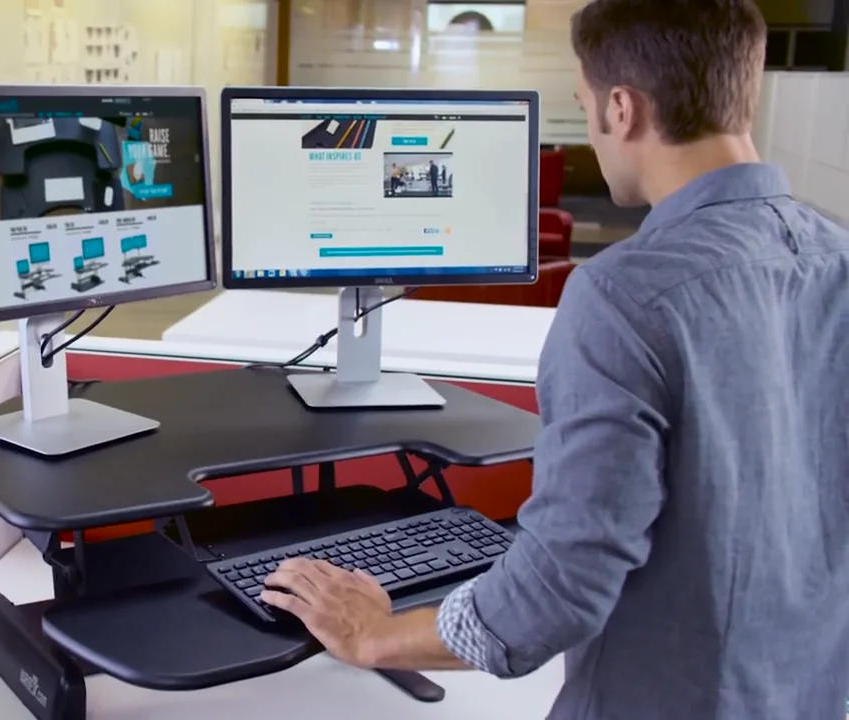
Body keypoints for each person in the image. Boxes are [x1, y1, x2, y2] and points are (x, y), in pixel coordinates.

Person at [261, 1, 849, 718]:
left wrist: (377, 635)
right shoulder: (836, 258)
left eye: (584, 105)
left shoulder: (626, 293)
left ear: (622, 109)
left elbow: (558, 588)